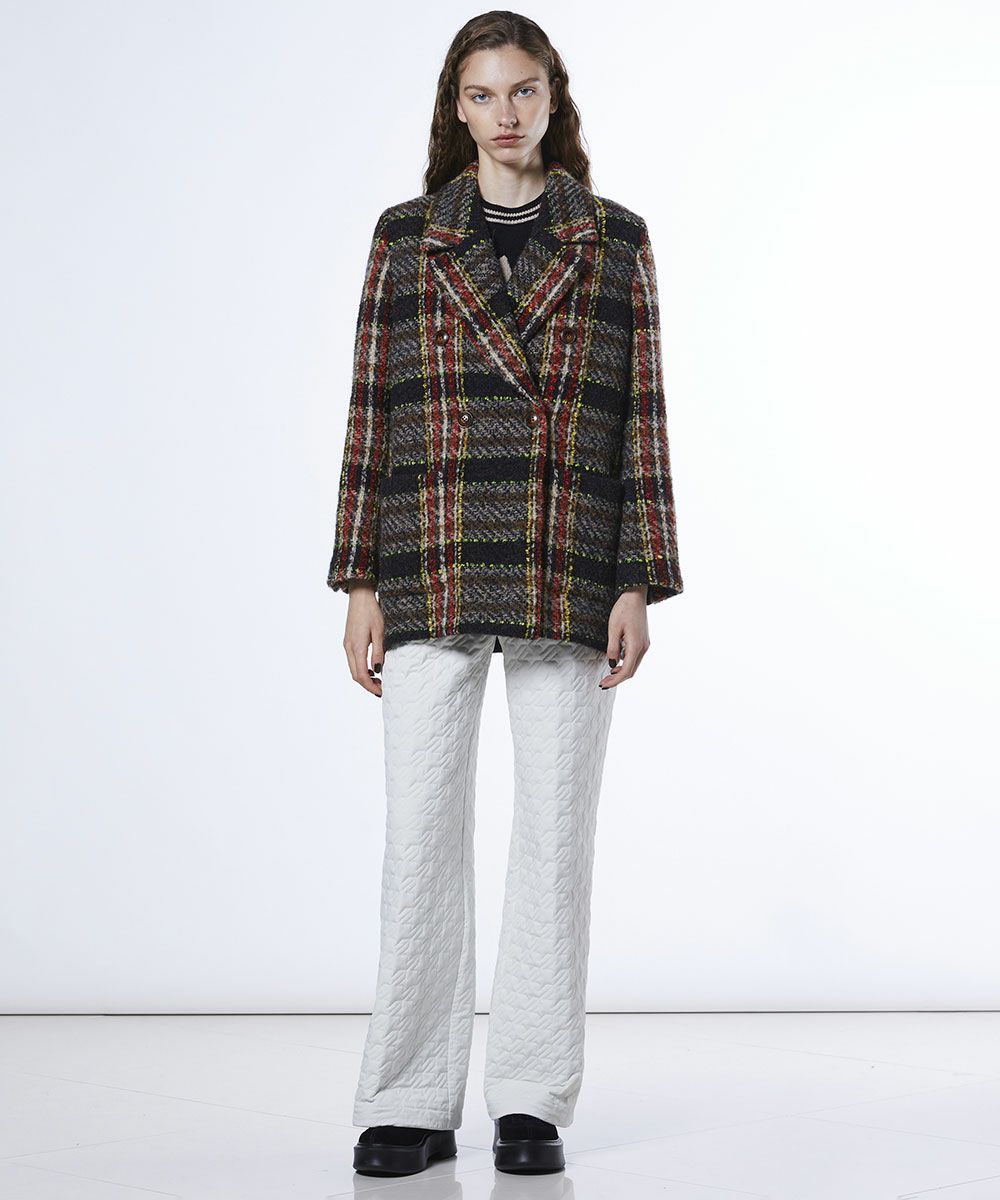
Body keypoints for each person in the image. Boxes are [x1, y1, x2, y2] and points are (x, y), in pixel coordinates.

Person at [326, 10, 683, 1178]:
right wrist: (359, 578)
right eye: (481, 95)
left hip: (566, 550)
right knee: (418, 836)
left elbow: (641, 419)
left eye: (522, 89)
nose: (505, 113)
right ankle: (409, 1098)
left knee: (554, 836)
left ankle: (530, 1097)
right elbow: (371, 411)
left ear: (553, 95)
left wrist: (637, 576)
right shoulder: (407, 236)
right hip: (428, 550)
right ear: (457, 108)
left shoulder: (615, 239)